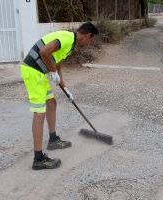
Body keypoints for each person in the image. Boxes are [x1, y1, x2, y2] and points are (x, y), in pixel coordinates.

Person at [20, 22, 98, 170]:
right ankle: (38, 159)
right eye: (91, 40)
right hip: (32, 71)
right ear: (88, 36)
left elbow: (57, 62)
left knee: (51, 103)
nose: (89, 44)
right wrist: (53, 72)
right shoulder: (67, 38)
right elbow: (44, 52)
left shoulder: (71, 44)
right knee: (39, 112)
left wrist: (64, 86)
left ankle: (53, 139)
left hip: (40, 74)